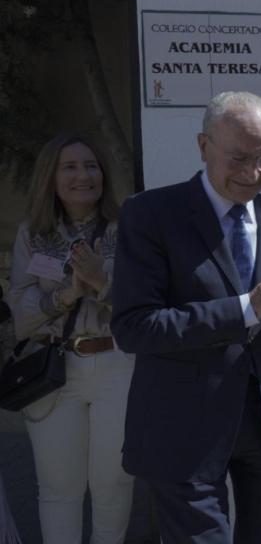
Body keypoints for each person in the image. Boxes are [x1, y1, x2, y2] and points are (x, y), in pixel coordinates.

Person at [111, 92, 261, 543]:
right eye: (238, 158)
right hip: (183, 428)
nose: (253, 174)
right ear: (203, 145)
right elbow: (135, 327)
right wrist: (248, 306)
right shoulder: (151, 215)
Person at [7, 134, 134, 542]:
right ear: (51, 177)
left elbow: (147, 306)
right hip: (52, 370)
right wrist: (69, 293)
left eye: (91, 165)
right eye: (70, 167)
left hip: (118, 364)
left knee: (113, 486)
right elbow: (21, 314)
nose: (84, 175)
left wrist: (102, 282)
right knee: (59, 490)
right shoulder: (33, 233)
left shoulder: (129, 228)